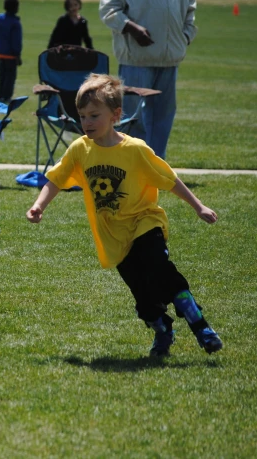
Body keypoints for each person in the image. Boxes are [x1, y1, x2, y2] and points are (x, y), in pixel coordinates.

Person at [27, 74, 222, 357]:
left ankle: (199, 324)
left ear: (115, 115)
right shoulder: (80, 149)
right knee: (144, 300)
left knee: (160, 269)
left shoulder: (135, 150)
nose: (87, 122)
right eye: (82, 116)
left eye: (94, 115)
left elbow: (168, 179)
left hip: (145, 221)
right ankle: (162, 330)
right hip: (115, 237)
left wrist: (198, 206)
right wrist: (39, 205)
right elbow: (57, 179)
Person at [99, 0, 196, 160]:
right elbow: (108, 10)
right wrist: (130, 28)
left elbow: (190, 10)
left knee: (162, 118)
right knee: (132, 118)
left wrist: (185, 37)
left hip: (169, 60)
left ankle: (156, 165)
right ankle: (128, 164)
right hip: (136, 60)